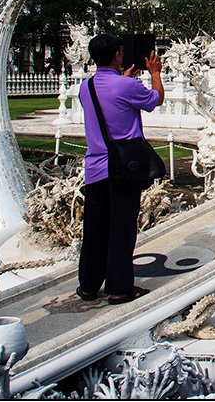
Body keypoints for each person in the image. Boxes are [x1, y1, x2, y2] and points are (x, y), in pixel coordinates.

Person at [76, 33, 164, 304]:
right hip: (123, 170)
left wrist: (122, 78)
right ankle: (119, 289)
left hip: (95, 169)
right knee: (122, 230)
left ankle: (88, 287)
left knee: (94, 230)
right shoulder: (127, 87)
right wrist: (155, 73)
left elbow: (108, 98)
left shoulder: (85, 87)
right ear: (117, 55)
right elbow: (156, 99)